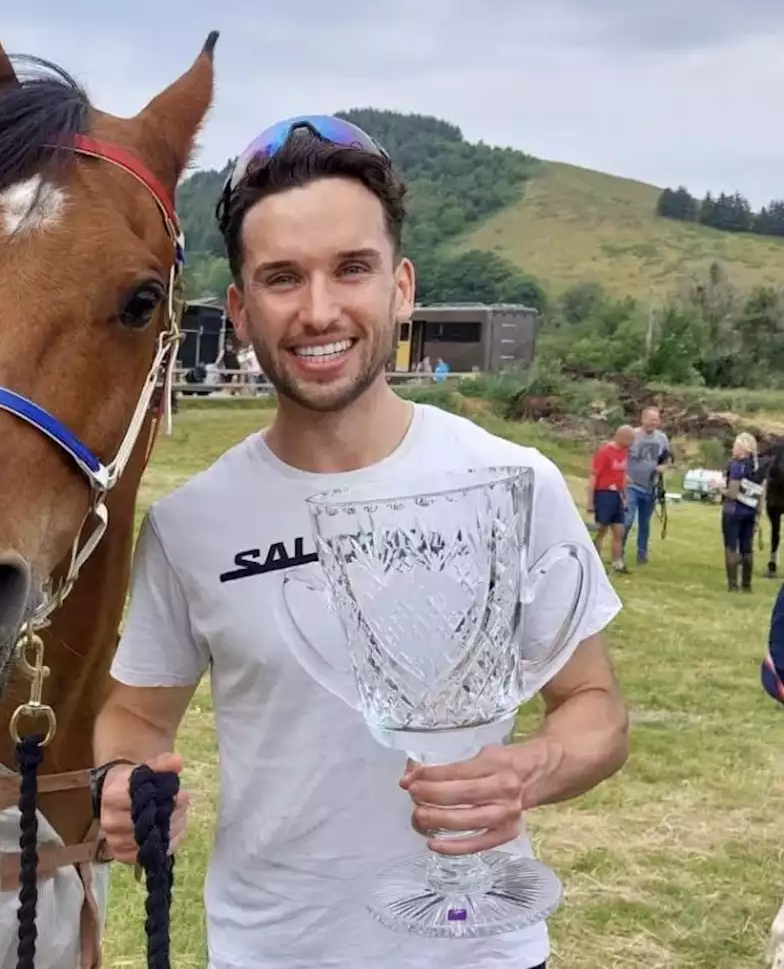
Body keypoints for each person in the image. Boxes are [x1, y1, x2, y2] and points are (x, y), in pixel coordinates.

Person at [90, 115, 628, 969]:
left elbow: (594, 706)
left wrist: (531, 768)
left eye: (352, 269)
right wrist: (121, 779)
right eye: (280, 278)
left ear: (401, 287)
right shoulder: (193, 522)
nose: (318, 311)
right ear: (238, 310)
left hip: (479, 950)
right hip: (271, 949)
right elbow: (132, 713)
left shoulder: (511, 481)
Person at [621, 406, 671, 565]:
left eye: (656, 420)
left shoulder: (662, 438)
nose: (653, 423)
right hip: (632, 484)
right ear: (643, 419)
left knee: (645, 522)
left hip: (651, 486)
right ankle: (619, 550)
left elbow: (667, 459)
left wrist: (663, 467)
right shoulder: (632, 435)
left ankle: (642, 554)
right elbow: (620, 455)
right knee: (627, 520)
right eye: (651, 419)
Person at [588, 425, 635, 574]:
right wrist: (590, 501)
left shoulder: (624, 452)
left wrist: (625, 495)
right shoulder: (605, 453)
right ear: (621, 437)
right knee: (601, 529)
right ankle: (594, 560)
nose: (632, 443)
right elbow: (594, 476)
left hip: (617, 495)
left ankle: (617, 563)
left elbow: (622, 475)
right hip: (604, 493)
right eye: (630, 439)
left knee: (619, 530)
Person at [722, 431, 764, 593]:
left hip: (733, 511)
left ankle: (733, 585)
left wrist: (718, 488)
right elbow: (761, 492)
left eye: (735, 445)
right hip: (750, 511)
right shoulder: (757, 466)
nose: (733, 448)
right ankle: (747, 584)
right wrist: (759, 512)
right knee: (747, 547)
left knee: (731, 546)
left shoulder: (736, 465)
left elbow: (732, 493)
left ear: (742, 448)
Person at [764, 437, 784, 579]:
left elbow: (763, 460)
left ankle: (773, 563)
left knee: (775, 530)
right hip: (776, 495)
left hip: (774, 497)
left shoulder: (776, 445)